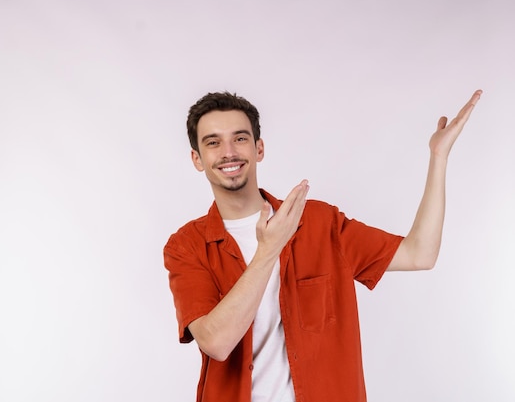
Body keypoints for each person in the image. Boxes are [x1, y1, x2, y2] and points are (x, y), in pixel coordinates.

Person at [164, 89, 482, 402]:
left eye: (240, 138)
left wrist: (438, 158)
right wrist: (268, 250)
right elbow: (216, 343)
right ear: (197, 159)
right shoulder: (186, 247)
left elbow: (420, 254)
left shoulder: (319, 223)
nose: (229, 151)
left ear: (259, 148)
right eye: (213, 142)